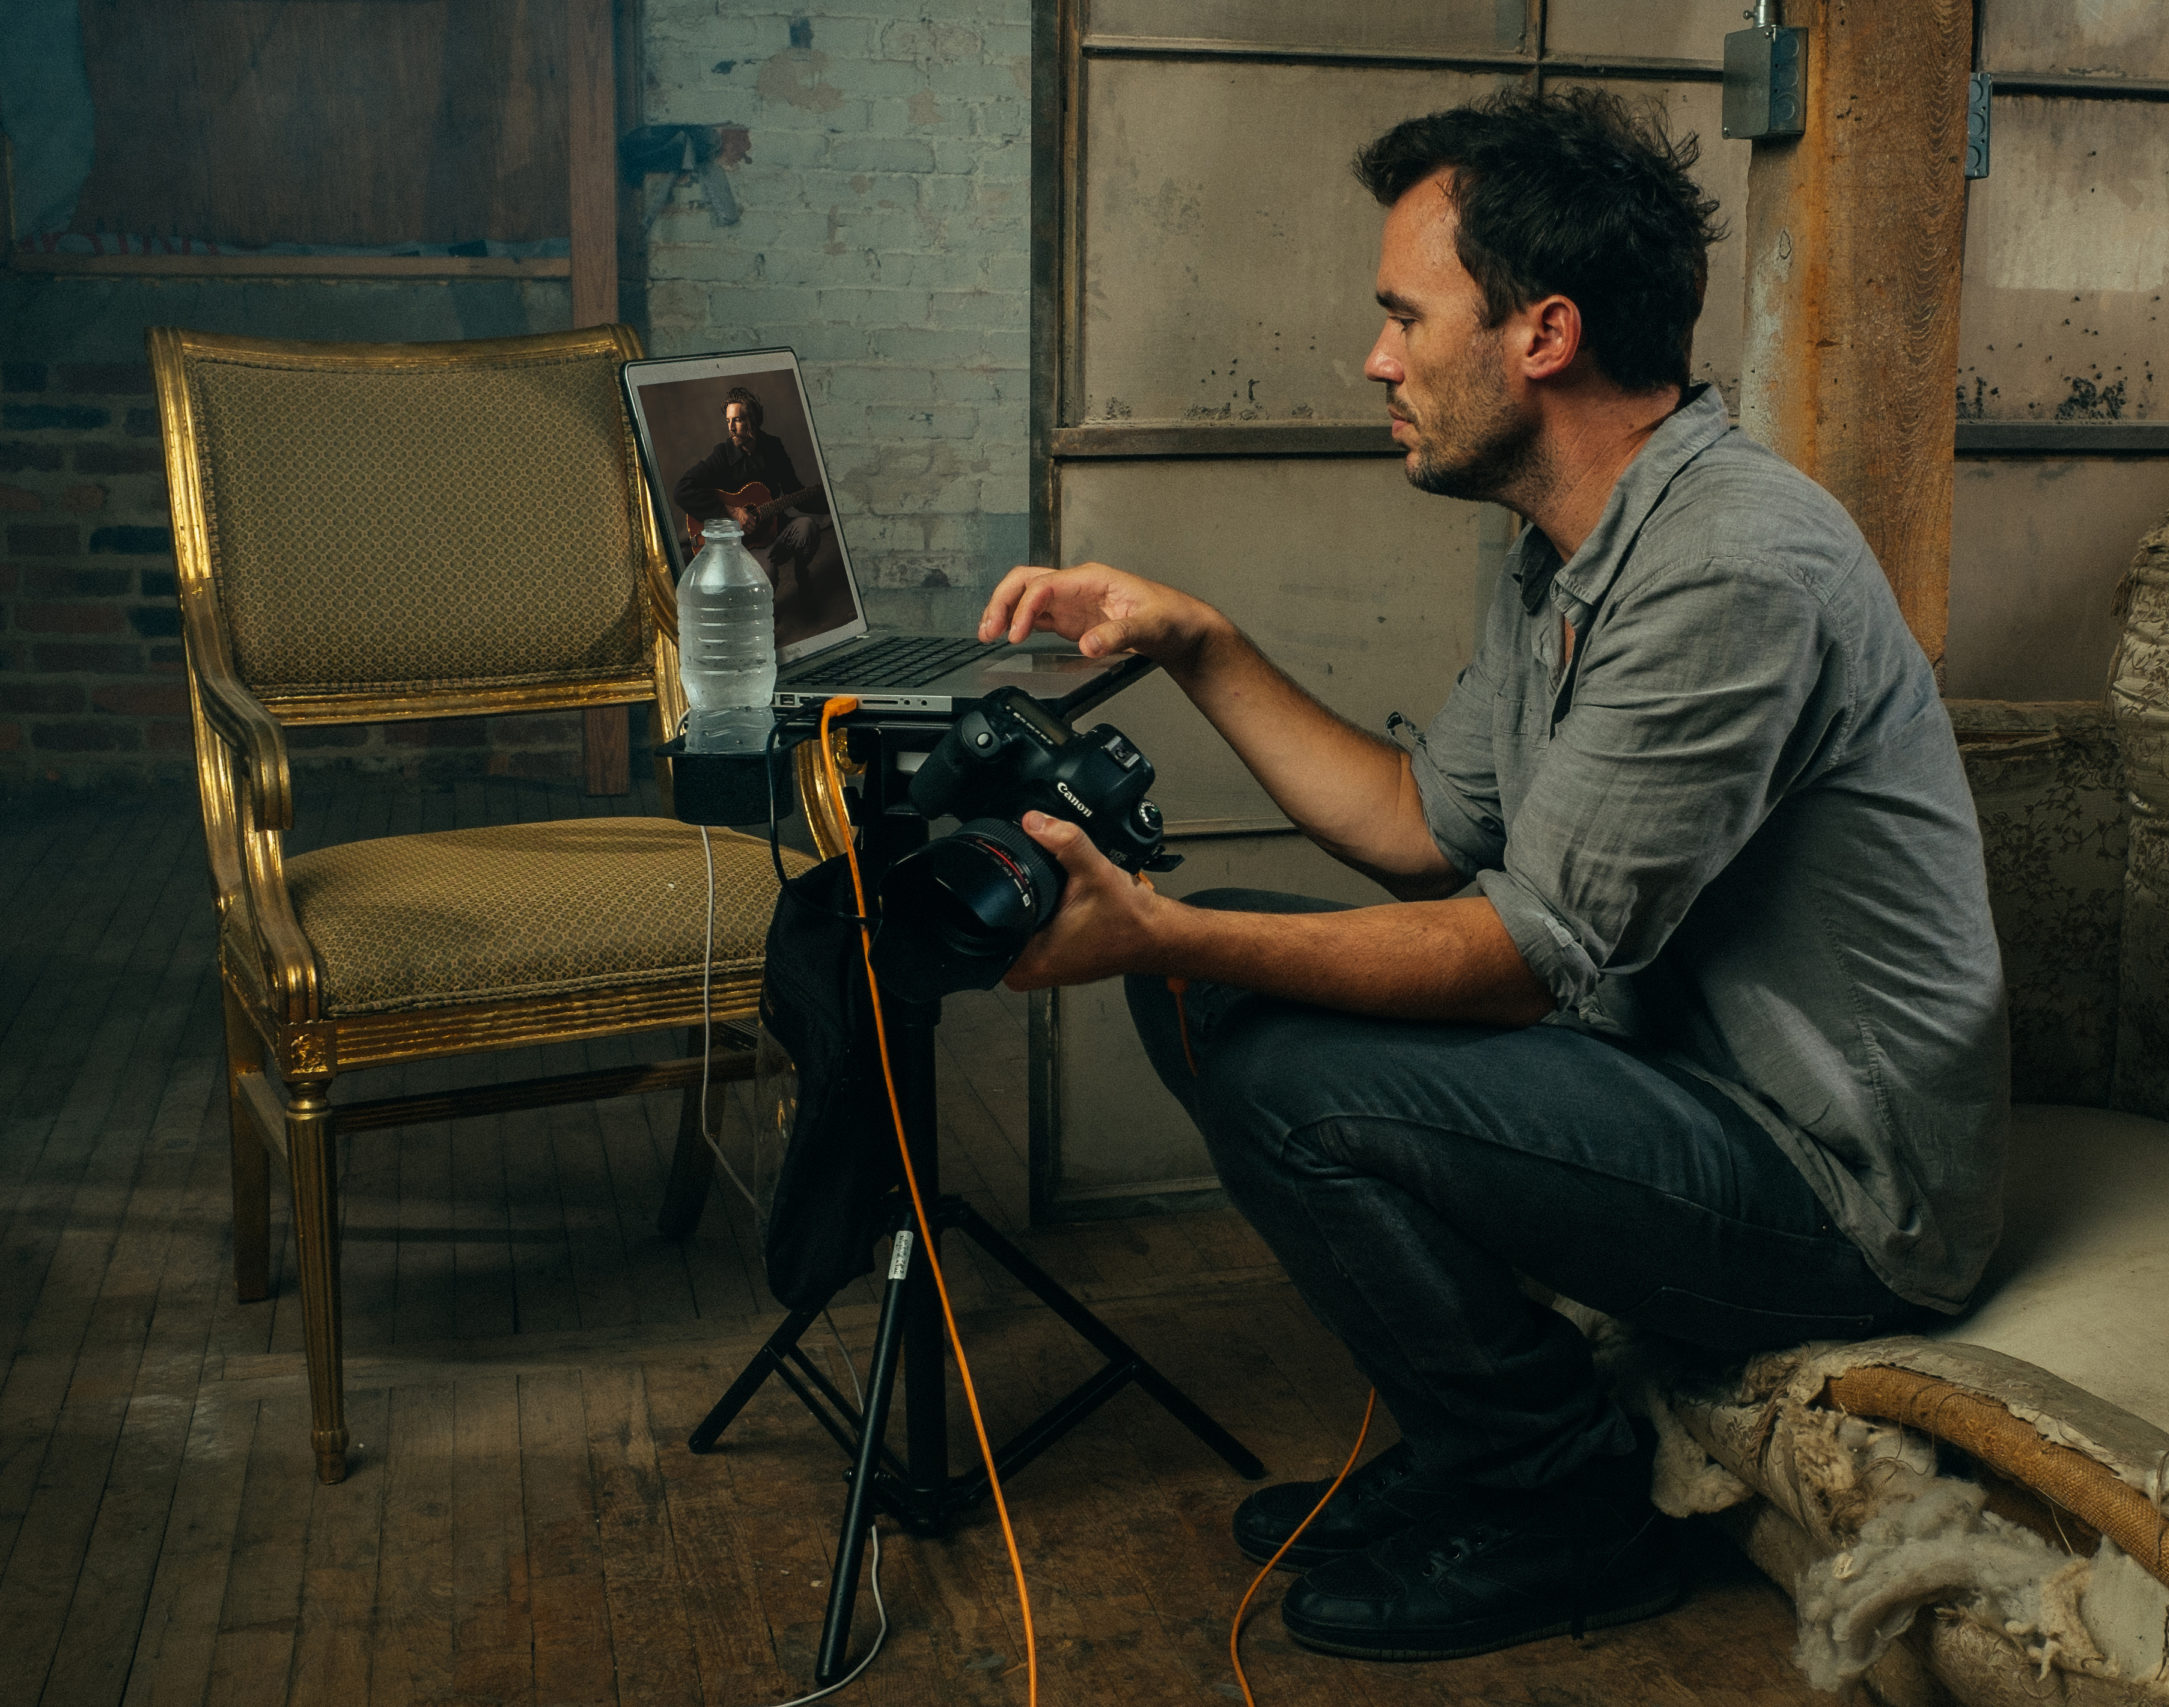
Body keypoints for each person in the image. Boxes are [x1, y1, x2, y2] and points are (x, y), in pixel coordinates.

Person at [976, 87, 2008, 1663]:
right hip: (1679, 1094)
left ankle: (1557, 1497)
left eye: (1406, 315)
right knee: (1219, 975)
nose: (1376, 357)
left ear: (1543, 334)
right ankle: (1488, 1446)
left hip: (1843, 1193)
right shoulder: (1567, 548)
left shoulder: (1730, 562)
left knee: (1275, 1053)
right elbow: (1416, 822)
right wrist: (1199, 640)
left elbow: (1525, 953)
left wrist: (1157, 930)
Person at [674, 387, 838, 614]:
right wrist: (731, 511)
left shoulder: (773, 447)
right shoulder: (723, 454)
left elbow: (795, 493)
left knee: (807, 527)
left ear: (754, 420)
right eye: (728, 420)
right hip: (746, 543)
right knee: (766, 575)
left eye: (738, 420)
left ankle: (803, 576)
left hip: (776, 529)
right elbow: (682, 490)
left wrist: (832, 504)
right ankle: (762, 610)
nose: (731, 427)